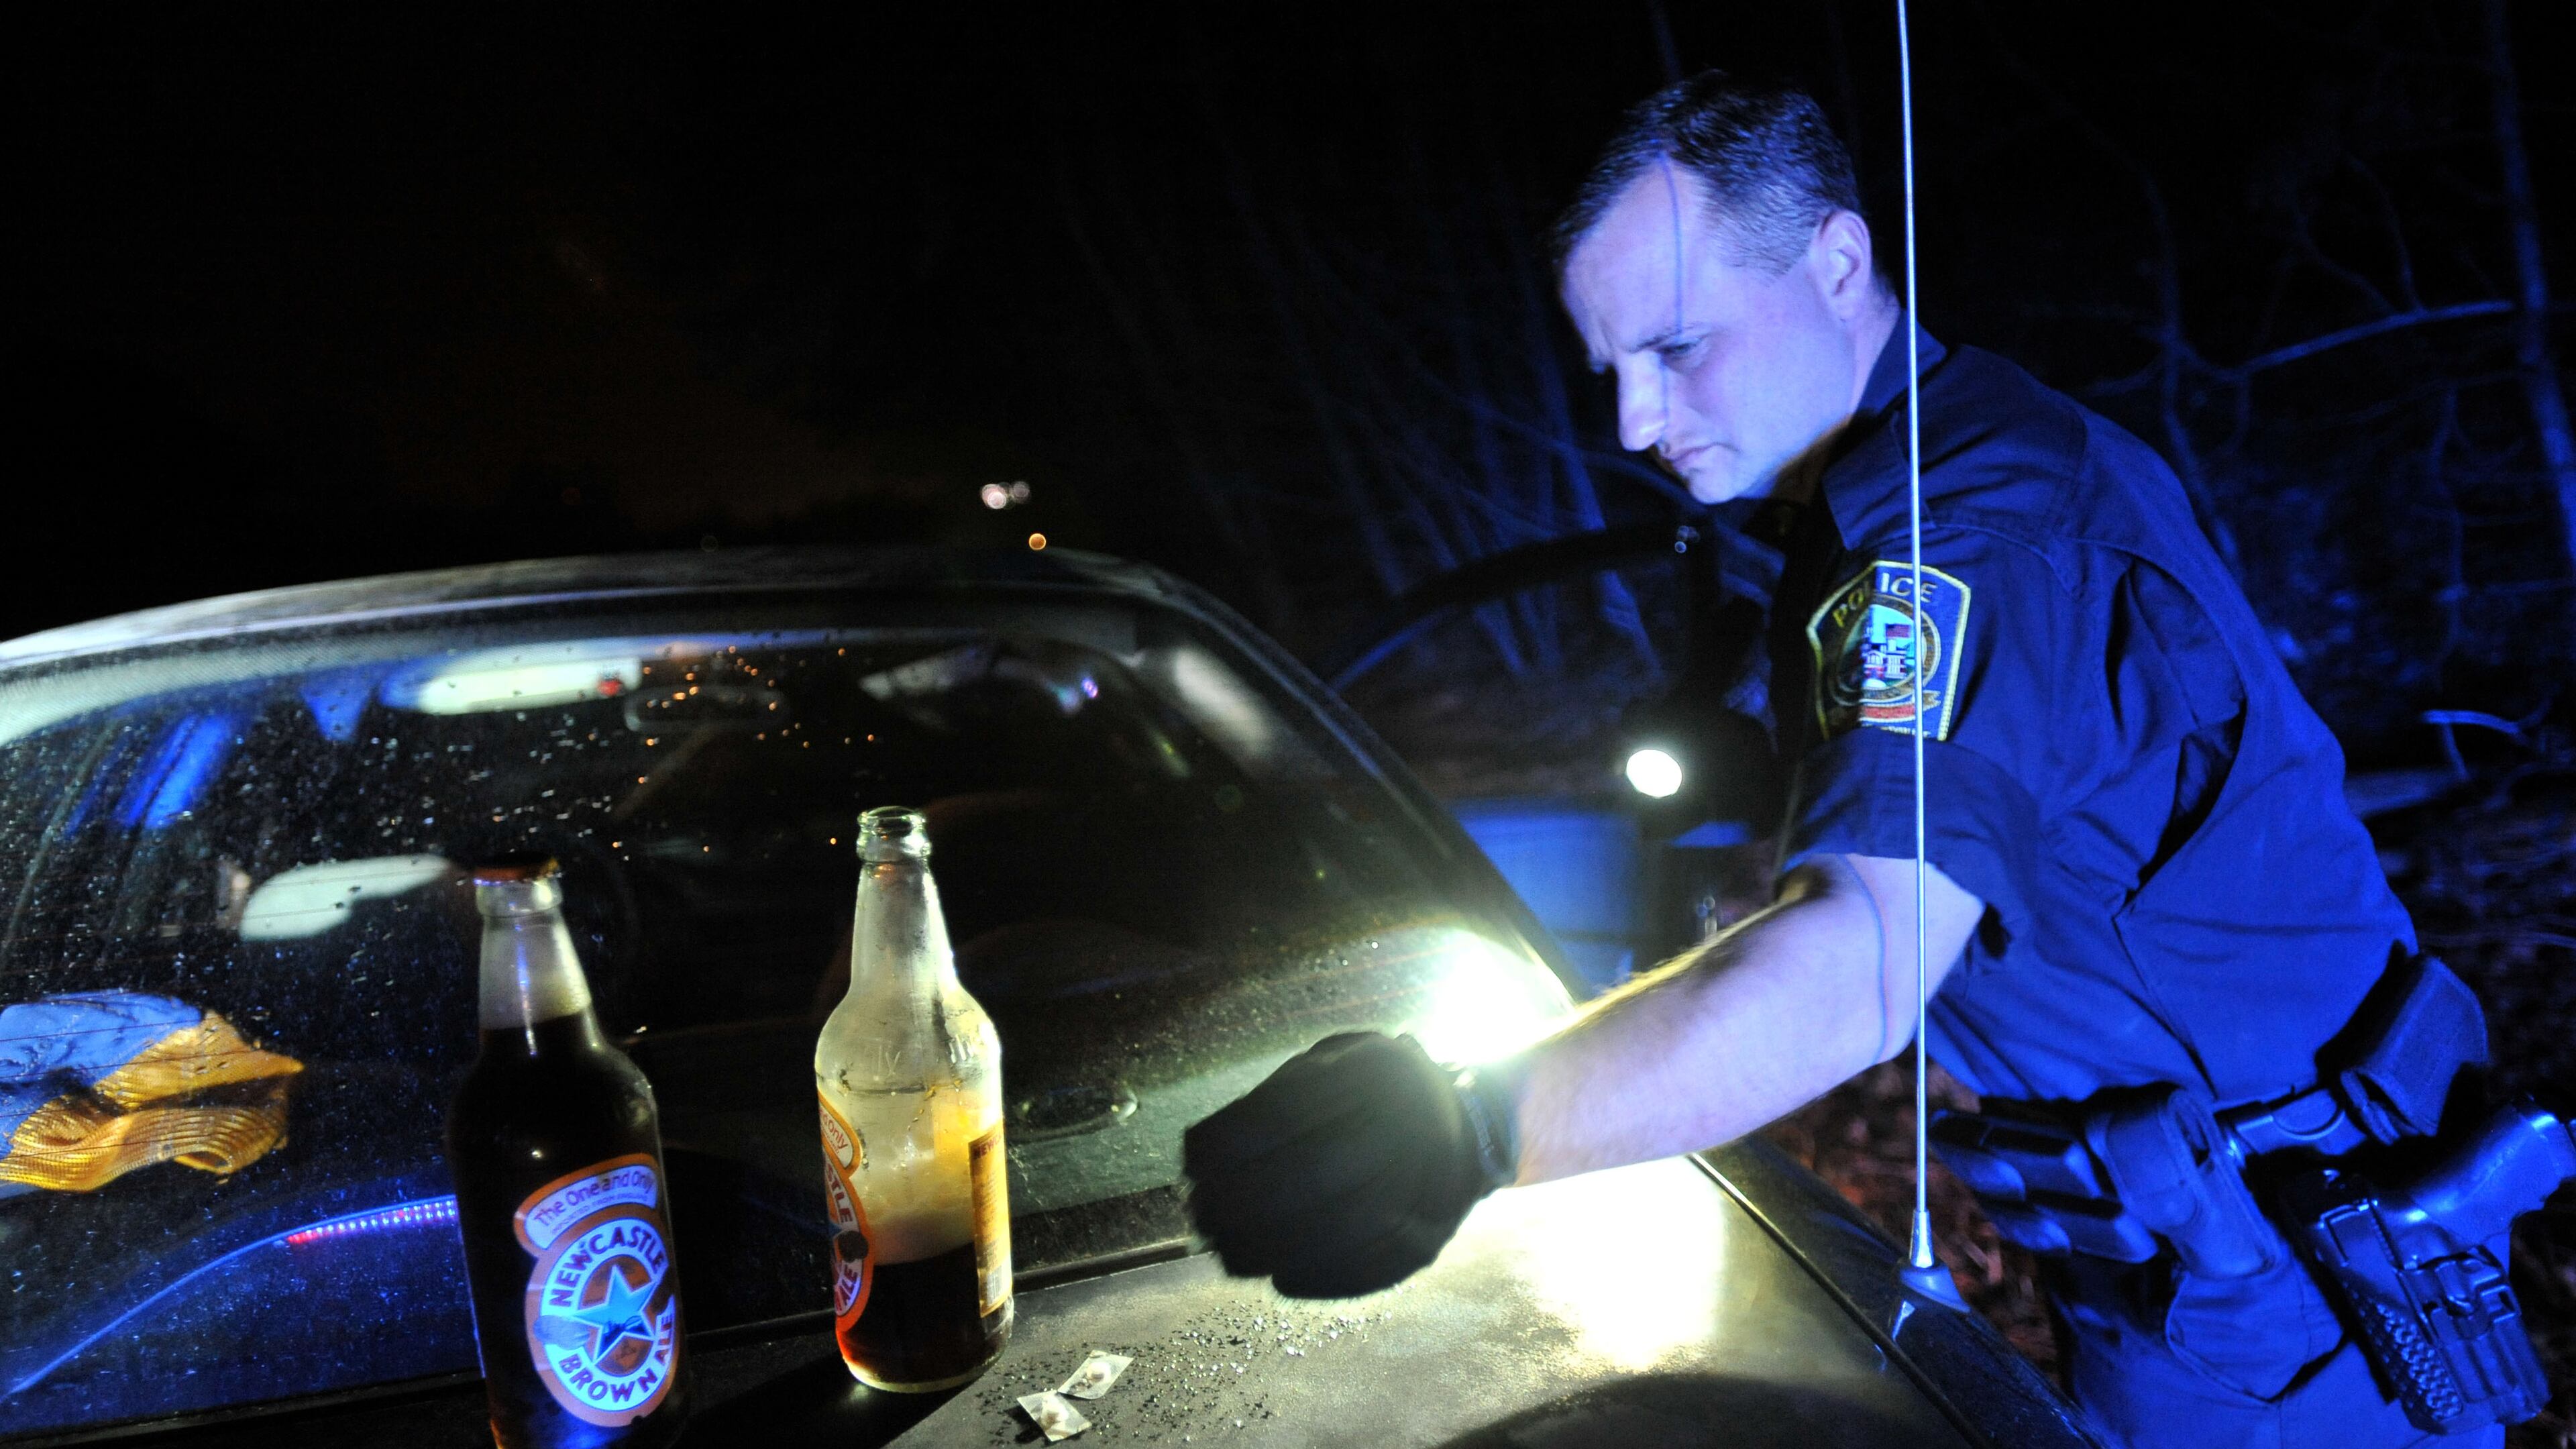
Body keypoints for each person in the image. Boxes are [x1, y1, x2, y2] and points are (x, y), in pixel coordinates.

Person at [1181, 73, 2493, 1449]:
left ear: (1840, 257)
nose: (1633, 422)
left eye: (1678, 347)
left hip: (2295, 1282)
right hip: (2201, 1252)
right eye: (1611, 368)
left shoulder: (1966, 534)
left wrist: (1461, 1135)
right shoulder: (1917, 484)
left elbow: (1858, 967)